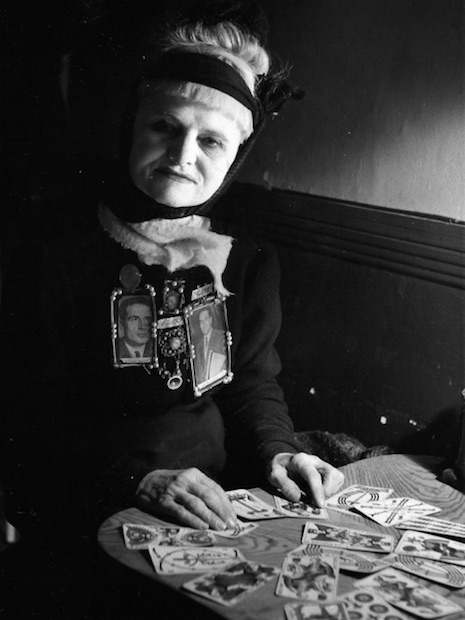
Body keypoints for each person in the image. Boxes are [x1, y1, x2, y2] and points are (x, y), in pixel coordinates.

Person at [0, 16, 344, 616]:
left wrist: (278, 452)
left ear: (235, 155)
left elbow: (251, 383)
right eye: (164, 126)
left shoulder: (248, 263)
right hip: (90, 511)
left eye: (211, 141)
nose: (183, 156)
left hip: (217, 504)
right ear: (131, 126)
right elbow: (24, 426)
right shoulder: (53, 254)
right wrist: (137, 481)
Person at [195, 306, 227, 383]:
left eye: (205, 319)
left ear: (210, 320)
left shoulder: (221, 337)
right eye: (201, 321)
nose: (203, 324)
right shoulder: (198, 346)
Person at [118, 295, 154, 359]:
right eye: (135, 319)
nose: (142, 327)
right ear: (122, 323)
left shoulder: (156, 350)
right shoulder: (116, 349)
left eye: (147, 319)